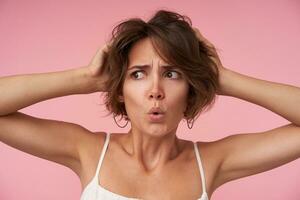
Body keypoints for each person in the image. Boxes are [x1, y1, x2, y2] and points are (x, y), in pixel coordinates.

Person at [0, 9, 299, 200]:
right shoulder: (88, 152)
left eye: (171, 74)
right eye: (138, 74)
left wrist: (222, 78)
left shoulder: (211, 162)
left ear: (189, 89)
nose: (155, 90)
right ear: (120, 89)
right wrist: (86, 77)